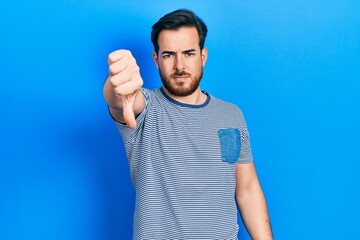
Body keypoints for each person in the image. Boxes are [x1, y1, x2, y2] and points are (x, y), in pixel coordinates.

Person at [103, 9, 273, 240]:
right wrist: (118, 85)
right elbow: (120, 101)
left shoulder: (230, 115)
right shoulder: (147, 108)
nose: (179, 65)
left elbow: (247, 189)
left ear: (203, 56)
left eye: (189, 53)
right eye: (169, 55)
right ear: (156, 59)